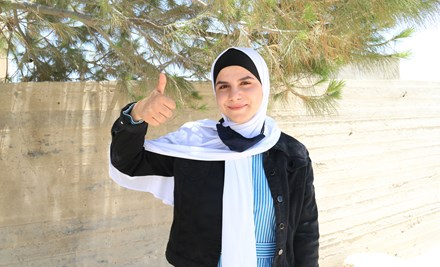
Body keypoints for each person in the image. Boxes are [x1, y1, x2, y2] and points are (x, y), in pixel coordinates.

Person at [109, 47, 319, 267]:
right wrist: (136, 115)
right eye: (223, 86)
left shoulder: (291, 154)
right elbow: (128, 163)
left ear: (264, 87)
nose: (234, 95)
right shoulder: (193, 144)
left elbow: (305, 230)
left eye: (246, 83)